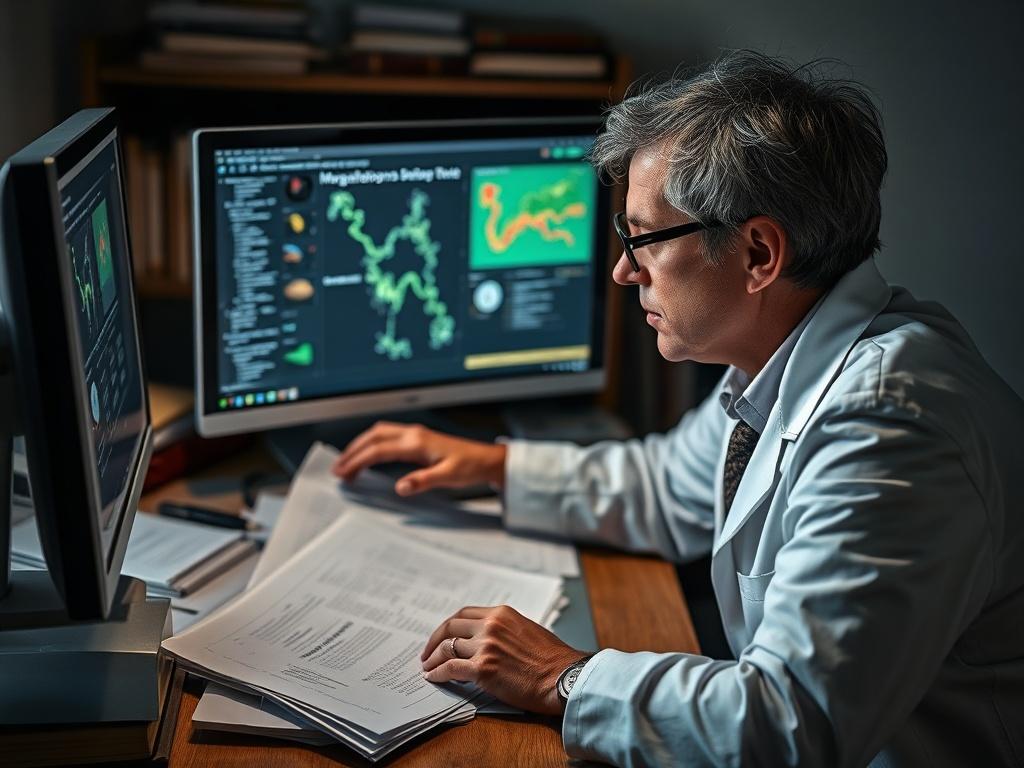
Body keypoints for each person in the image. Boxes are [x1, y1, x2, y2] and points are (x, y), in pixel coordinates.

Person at [333, 51, 1024, 767]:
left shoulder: (888, 427)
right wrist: (492, 466)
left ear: (759, 253)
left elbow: (791, 725)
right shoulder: (781, 355)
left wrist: (560, 677)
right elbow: (666, 486)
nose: (623, 270)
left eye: (645, 238)